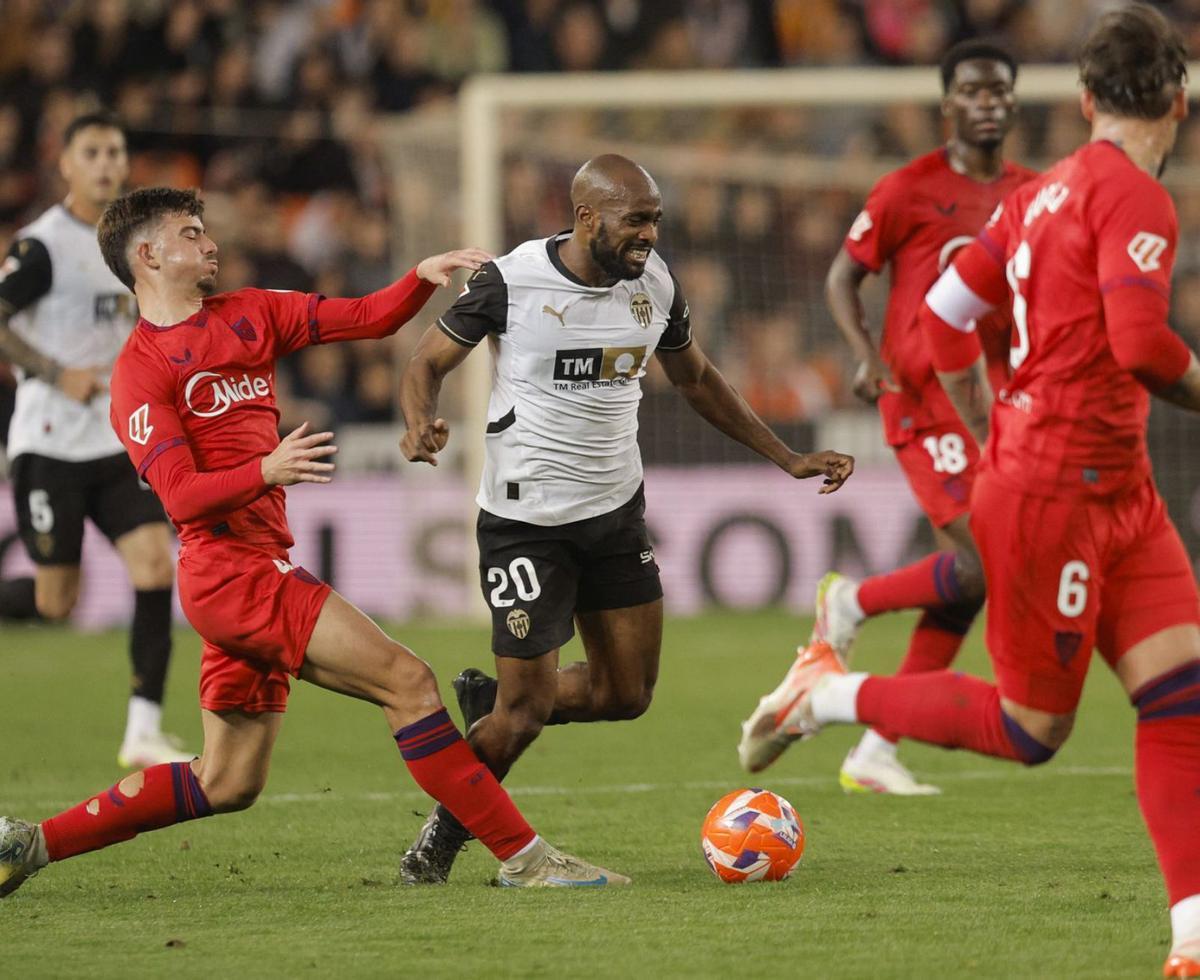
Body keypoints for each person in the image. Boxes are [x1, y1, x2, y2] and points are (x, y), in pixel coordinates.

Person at [738, 6, 1200, 975]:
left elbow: (948, 314)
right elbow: (1146, 347)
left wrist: (992, 409)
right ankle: (833, 695)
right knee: (1034, 731)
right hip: (1053, 496)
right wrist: (1012, 428)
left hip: (1119, 488)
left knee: (1183, 695)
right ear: (1179, 97)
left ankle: (1193, 936)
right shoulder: (1134, 200)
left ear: (1082, 100)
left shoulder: (1037, 196)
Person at [0, 186, 627, 897]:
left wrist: (417, 279)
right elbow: (179, 496)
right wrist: (263, 468)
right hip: (231, 574)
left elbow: (364, 318)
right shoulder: (139, 373)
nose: (210, 244)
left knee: (227, 780)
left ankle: (30, 845)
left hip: (251, 568)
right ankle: (526, 858)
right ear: (148, 255)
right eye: (192, 233)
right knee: (410, 682)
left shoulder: (249, 312)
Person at [397, 153, 855, 884]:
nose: (648, 235)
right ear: (586, 217)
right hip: (525, 523)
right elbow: (425, 364)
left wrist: (786, 456)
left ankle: (496, 699)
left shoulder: (655, 282)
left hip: (615, 514)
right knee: (522, 717)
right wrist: (420, 422)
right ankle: (440, 842)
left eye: (655, 221)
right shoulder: (511, 281)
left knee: (626, 695)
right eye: (635, 220)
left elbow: (697, 379)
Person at [818, 40, 1036, 795]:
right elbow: (843, 276)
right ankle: (851, 603)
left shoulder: (1033, 194)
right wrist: (862, 354)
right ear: (948, 103)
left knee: (976, 581)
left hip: (996, 408)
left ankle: (877, 746)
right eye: (973, 90)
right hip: (919, 401)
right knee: (987, 562)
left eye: (999, 90)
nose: (987, 102)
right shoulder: (909, 188)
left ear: (1014, 100)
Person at [0, 112, 190, 767]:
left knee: (154, 564)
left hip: (117, 442)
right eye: (93, 152)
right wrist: (55, 371)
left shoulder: (137, 244)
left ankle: (142, 730)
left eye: (116, 150)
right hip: (49, 443)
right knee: (57, 601)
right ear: (66, 165)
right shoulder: (43, 245)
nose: (108, 162)